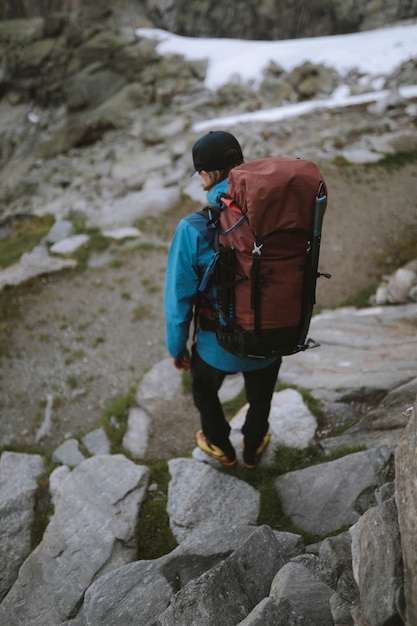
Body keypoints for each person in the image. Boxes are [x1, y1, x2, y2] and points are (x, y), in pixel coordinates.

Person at [164, 130, 281, 469]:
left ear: (205, 174)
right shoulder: (277, 212)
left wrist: (177, 349)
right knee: (261, 395)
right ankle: (254, 443)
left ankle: (219, 444)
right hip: (273, 338)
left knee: (203, 389)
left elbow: (178, 301)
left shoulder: (194, 228)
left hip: (218, 347)